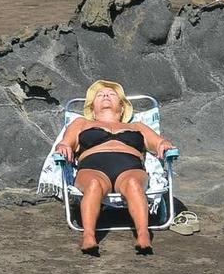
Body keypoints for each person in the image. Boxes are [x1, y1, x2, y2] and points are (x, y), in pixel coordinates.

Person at [52, 81, 175, 256]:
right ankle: (88, 236)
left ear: (122, 107)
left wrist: (164, 144)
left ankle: (143, 234)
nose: (106, 96)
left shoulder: (137, 126)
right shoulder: (81, 123)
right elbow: (66, 142)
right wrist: (63, 146)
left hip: (130, 167)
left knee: (133, 184)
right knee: (93, 184)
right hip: (92, 167)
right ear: (93, 110)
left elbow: (158, 142)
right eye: (100, 95)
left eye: (111, 94)